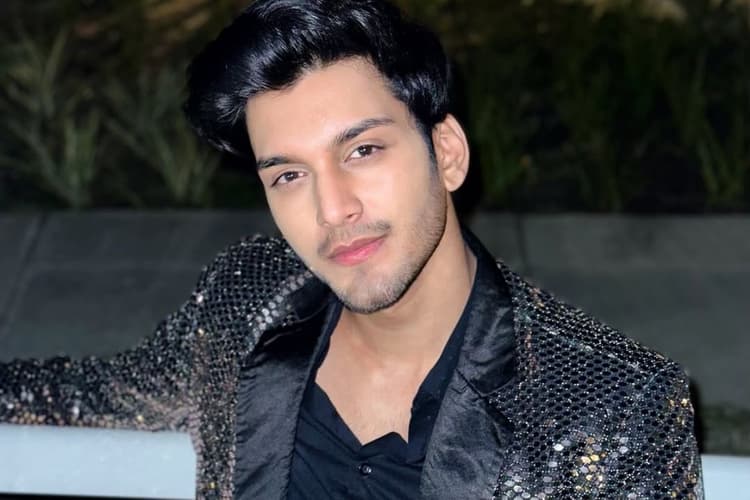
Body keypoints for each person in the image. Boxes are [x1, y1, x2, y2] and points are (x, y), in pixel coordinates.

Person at [0, 0, 702, 498]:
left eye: (363, 150)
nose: (333, 209)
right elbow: (85, 395)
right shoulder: (247, 299)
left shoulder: (612, 405)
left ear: (447, 153)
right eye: (288, 175)